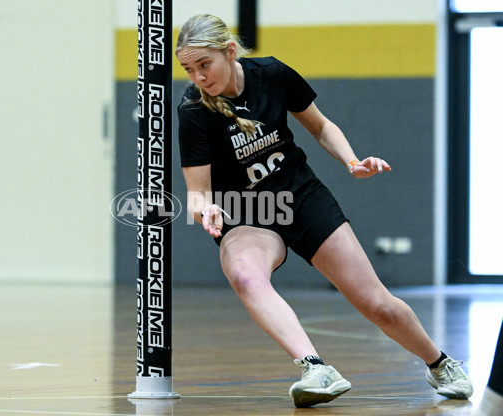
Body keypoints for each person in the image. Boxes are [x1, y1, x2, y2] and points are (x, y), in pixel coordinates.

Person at [175, 14, 473, 408]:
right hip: (246, 209)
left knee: (375, 302)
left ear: (230, 52)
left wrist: (351, 161)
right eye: (188, 69)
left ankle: (440, 363)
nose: (198, 77)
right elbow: (197, 193)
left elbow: (320, 126)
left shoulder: (272, 73)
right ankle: (316, 368)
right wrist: (206, 209)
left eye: (204, 65)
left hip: (300, 195)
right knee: (246, 277)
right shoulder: (194, 109)